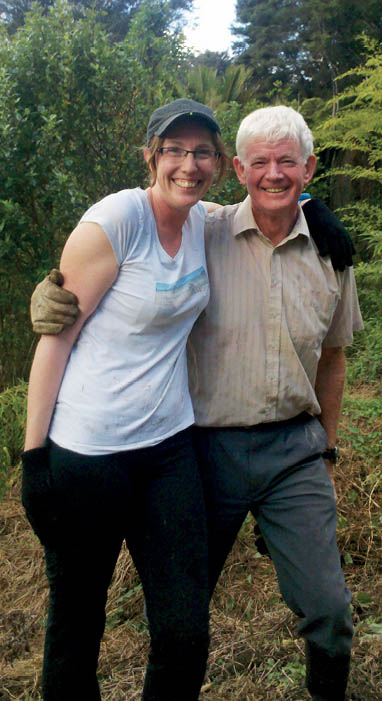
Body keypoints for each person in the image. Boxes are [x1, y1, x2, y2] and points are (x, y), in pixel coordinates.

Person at [29, 106, 361, 700]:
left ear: (309, 167)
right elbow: (80, 303)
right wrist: (52, 290)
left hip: (237, 453)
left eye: (289, 162)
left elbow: (334, 356)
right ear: (235, 168)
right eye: (258, 162)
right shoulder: (186, 224)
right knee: (129, 615)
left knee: (269, 617)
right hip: (157, 451)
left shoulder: (309, 250)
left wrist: (316, 208)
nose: (273, 174)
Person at [21, 98, 230, 701]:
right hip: (87, 455)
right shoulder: (115, 221)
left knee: (185, 627)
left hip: (168, 452)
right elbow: (55, 339)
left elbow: (266, 200)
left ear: (217, 162)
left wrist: (310, 208)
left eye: (201, 152)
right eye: (174, 150)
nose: (188, 165)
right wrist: (34, 460)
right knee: (78, 618)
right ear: (150, 156)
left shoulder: (203, 219)